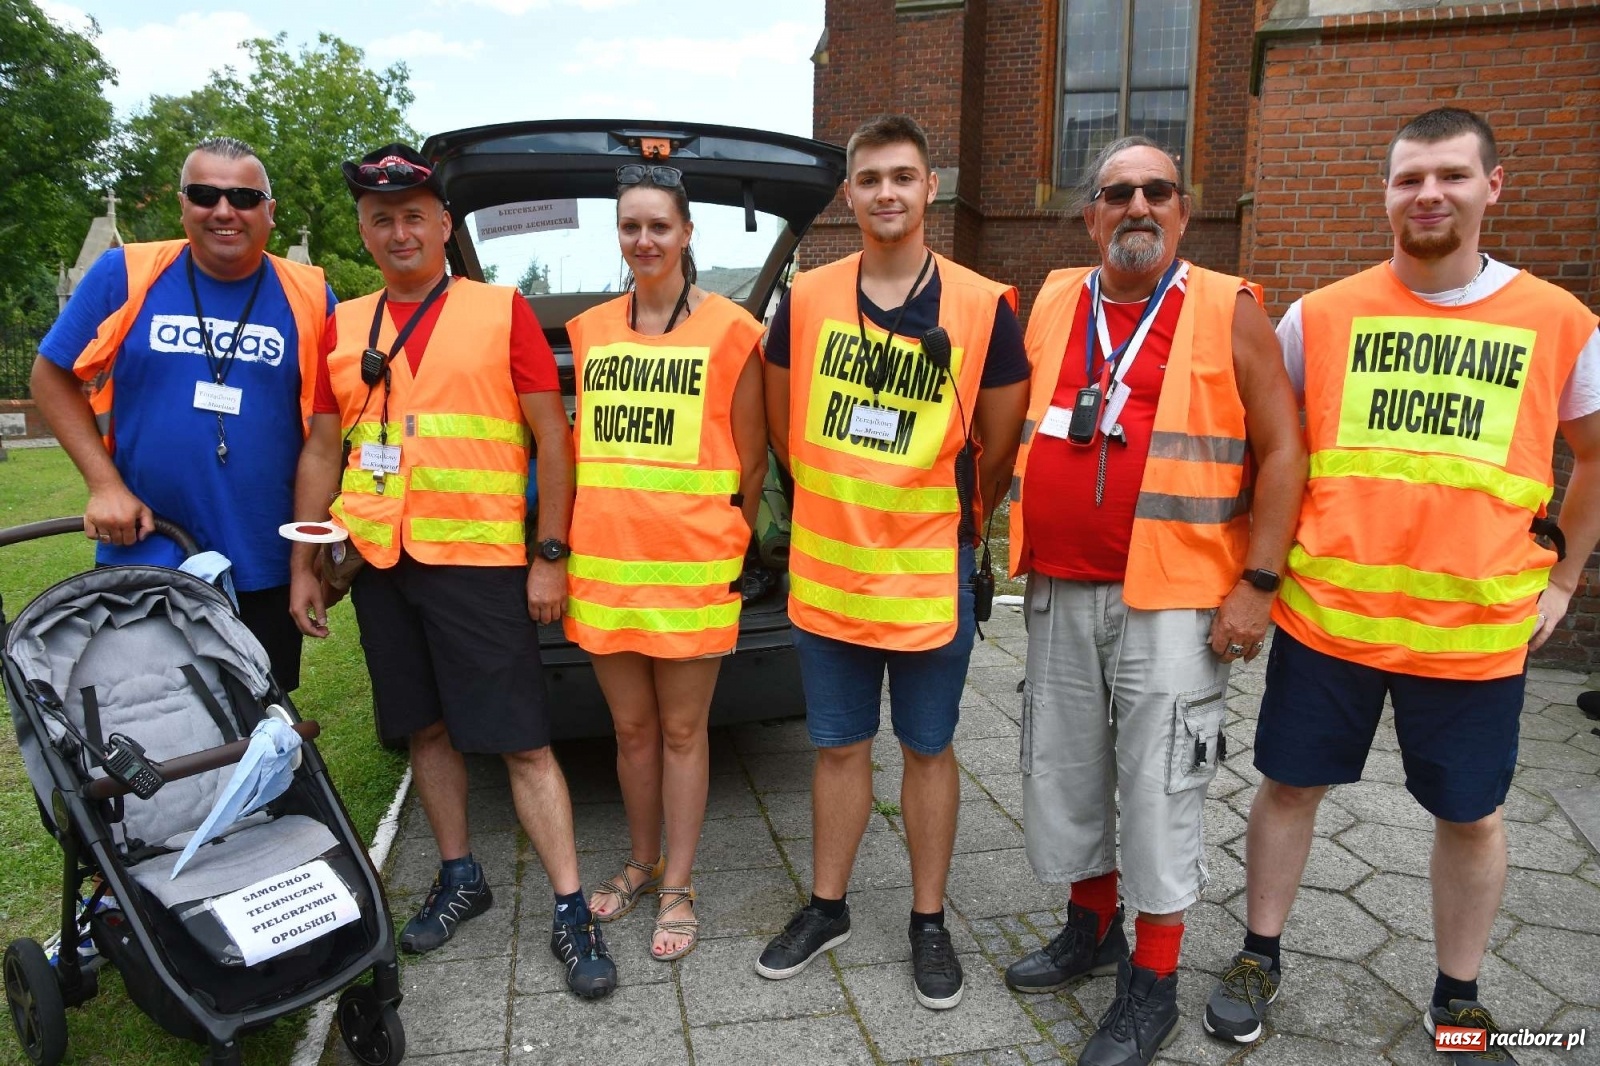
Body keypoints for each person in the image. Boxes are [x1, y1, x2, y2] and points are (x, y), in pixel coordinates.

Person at [1205, 107, 1600, 1063]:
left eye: (1452, 175)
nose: (1429, 194)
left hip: (1469, 638)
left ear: (1491, 187)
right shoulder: (1322, 316)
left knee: (1471, 816)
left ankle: (1457, 996)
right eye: (1409, 177)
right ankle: (1260, 954)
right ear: (1385, 192)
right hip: (1327, 620)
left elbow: (1595, 457)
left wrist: (1565, 583)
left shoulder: (1559, 322)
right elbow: (1278, 450)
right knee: (1288, 787)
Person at [288, 143, 618, 999]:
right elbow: (325, 446)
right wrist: (304, 561)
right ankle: (460, 874)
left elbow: (554, 437)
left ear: (443, 225)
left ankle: (571, 905)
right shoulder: (343, 322)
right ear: (364, 232)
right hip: (380, 561)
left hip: (478, 562)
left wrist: (550, 555)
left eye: (414, 217)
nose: (399, 232)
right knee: (424, 731)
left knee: (521, 743)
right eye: (380, 219)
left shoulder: (499, 310)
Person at [1003, 136, 1306, 1066]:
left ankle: (1154, 981)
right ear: (1091, 214)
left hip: (1176, 600)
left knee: (1161, 784)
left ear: (1184, 211)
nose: (1137, 206)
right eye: (1116, 193)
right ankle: (1091, 926)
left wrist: (1258, 583)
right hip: (1057, 587)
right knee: (1065, 769)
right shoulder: (1053, 298)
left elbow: (1287, 452)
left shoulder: (1229, 306)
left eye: (1156, 192)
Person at [755, 114, 1029, 1010]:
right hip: (830, 570)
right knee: (837, 748)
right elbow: (782, 424)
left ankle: (928, 919)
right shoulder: (806, 297)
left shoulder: (985, 304)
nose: (886, 193)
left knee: (929, 747)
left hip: (927, 575)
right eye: (870, 178)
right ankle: (827, 905)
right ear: (851, 192)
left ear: (929, 189)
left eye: (903, 177)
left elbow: (994, 445)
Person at [32, 136, 332, 691]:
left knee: (257, 721)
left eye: (243, 197)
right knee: (146, 716)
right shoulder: (126, 273)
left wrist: (305, 563)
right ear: (182, 204)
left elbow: (328, 434)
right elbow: (50, 376)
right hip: (145, 549)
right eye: (204, 194)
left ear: (269, 211)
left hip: (261, 559)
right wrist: (104, 486)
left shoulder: (310, 296)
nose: (223, 211)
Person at [569, 163, 768, 962]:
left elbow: (752, 465)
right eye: (630, 226)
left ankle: (679, 883)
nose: (643, 240)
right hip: (609, 567)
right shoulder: (589, 331)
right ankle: (642, 862)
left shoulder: (732, 329)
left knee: (684, 731)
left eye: (659, 225)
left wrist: (727, 547)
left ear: (688, 233)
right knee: (632, 730)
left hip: (691, 573)